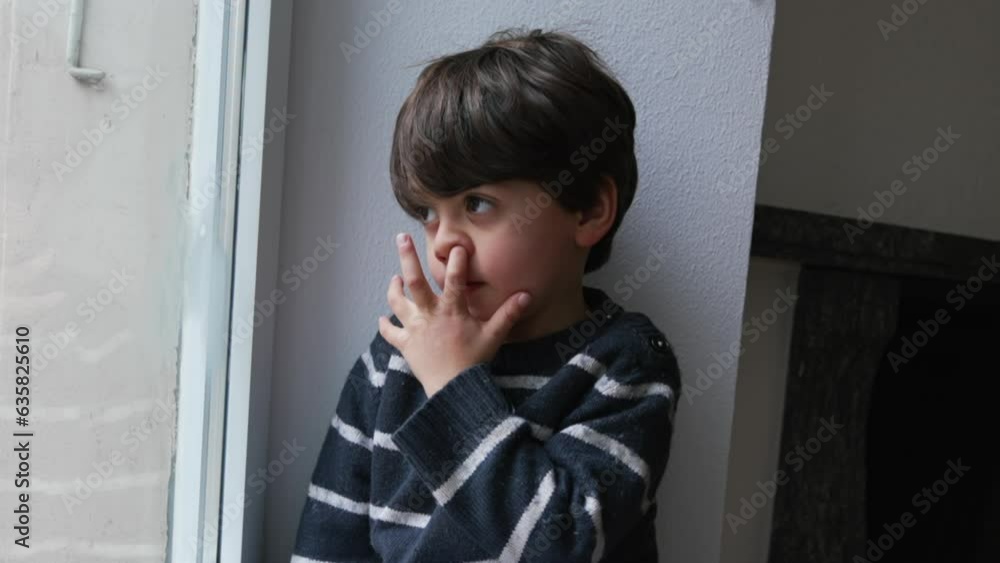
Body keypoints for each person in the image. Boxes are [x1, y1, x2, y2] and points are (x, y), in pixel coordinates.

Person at [291, 27, 681, 563]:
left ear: (589, 209)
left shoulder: (624, 364)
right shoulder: (392, 362)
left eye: (477, 204)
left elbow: (563, 544)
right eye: (429, 213)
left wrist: (453, 383)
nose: (444, 240)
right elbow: (329, 542)